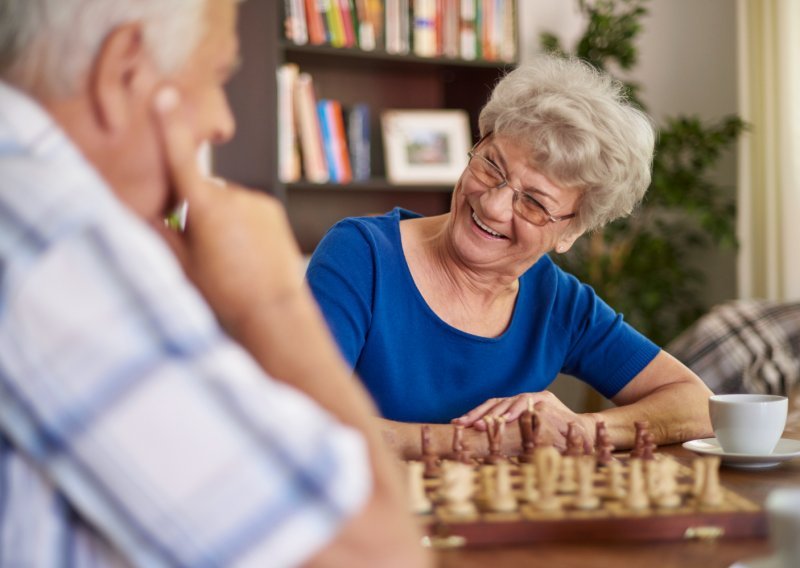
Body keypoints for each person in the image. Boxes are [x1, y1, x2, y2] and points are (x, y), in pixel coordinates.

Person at [0, 1, 430, 566]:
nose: (223, 122)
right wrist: (271, 299)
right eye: (217, 77)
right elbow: (378, 553)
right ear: (124, 70)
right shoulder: (64, 243)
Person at [307, 55, 714, 457]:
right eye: (491, 167)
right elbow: (303, 421)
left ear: (570, 231)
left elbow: (698, 405)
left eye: (534, 203)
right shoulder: (362, 256)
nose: (495, 205)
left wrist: (579, 429)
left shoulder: (557, 303)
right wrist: (480, 442)